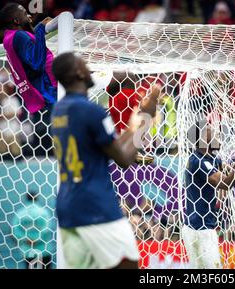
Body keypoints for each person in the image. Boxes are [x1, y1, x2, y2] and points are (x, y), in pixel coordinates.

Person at [50, 52, 160, 269]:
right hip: (95, 205)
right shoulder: (92, 111)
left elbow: (111, 150)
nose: (91, 68)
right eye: (85, 64)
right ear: (79, 72)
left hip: (68, 205)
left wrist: (135, 122)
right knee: (128, 264)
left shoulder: (60, 110)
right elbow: (124, 158)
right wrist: (145, 118)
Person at [182, 122, 235, 269]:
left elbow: (230, 171)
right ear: (203, 138)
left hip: (203, 226)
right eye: (213, 133)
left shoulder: (213, 159)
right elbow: (225, 183)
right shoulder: (197, 161)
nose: (218, 135)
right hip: (199, 229)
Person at [0, 3, 56, 156]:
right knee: (54, 135)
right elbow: (36, 63)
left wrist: (35, 28)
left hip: (40, 91)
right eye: (24, 13)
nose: (29, 15)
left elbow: (29, 53)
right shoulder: (19, 36)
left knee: (46, 135)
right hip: (48, 89)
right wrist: (39, 29)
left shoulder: (11, 37)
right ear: (16, 21)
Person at [11, 191, 54, 269]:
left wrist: (27, 239)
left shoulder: (20, 213)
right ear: (37, 197)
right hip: (43, 250)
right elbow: (48, 228)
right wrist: (36, 239)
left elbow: (15, 230)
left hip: (27, 250)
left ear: (26, 198)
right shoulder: (43, 212)